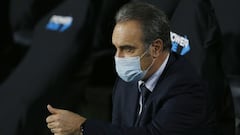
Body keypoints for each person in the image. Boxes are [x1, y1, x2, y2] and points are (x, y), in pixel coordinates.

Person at [46, 1, 217, 135]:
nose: (118, 58)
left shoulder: (187, 87)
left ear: (156, 48)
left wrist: (83, 127)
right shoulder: (128, 80)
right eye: (116, 48)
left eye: (128, 49)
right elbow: (119, 129)